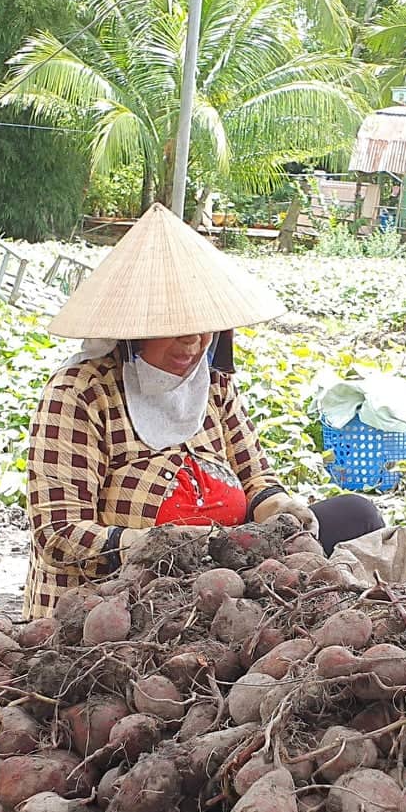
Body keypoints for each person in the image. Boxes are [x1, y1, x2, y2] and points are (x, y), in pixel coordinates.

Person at [25, 204, 385, 618]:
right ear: (133, 328)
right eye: (174, 328)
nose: (193, 343)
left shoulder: (213, 384)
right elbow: (58, 533)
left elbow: (255, 478)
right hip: (126, 595)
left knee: (355, 514)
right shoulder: (81, 393)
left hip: (226, 571)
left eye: (204, 326)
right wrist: (160, 546)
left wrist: (279, 510)